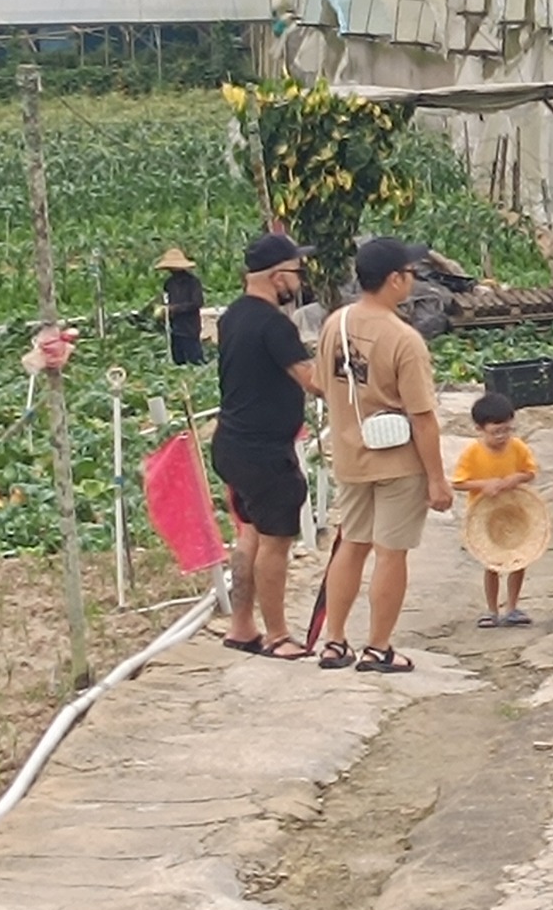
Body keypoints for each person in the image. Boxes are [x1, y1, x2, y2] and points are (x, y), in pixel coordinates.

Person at [309, 238, 449, 672]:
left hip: (350, 455)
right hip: (397, 460)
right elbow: (423, 417)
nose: (412, 280)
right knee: (391, 552)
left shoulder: (336, 322)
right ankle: (379, 646)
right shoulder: (403, 339)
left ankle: (334, 641)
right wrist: (437, 479)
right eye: (410, 273)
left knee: (351, 544)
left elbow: (319, 382)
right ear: (394, 280)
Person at [212, 233, 318, 660]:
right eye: (295, 271)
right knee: (276, 541)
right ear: (278, 277)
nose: (299, 280)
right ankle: (277, 635)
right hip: (266, 452)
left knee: (250, 535)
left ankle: (242, 627)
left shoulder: (232, 316)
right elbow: (312, 381)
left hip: (232, 444)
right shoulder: (276, 324)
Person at [452, 391, 541, 628]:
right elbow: (458, 482)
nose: (502, 436)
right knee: (491, 564)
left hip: (514, 512)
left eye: (507, 430)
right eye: (496, 432)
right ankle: (491, 609)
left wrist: (515, 479)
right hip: (485, 516)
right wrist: (483, 485)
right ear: (479, 429)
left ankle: (512, 607)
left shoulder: (518, 447)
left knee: (519, 560)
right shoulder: (472, 453)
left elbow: (531, 472)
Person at [156, 247, 205, 367]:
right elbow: (167, 300)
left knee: (195, 360)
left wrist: (175, 309)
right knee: (178, 361)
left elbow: (197, 302)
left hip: (189, 327)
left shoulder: (193, 282)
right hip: (175, 328)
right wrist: (164, 311)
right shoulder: (169, 283)